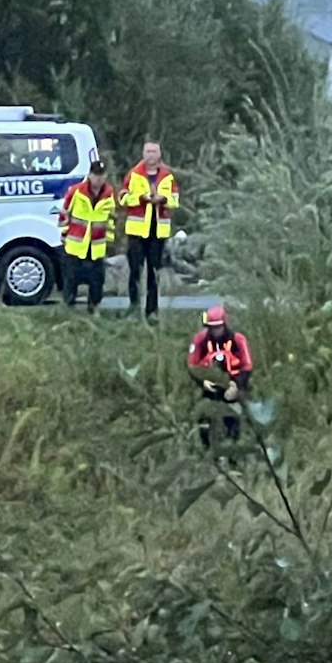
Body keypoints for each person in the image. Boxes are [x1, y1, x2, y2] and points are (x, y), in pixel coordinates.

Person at [120, 141, 179, 321]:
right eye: (148, 151)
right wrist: (141, 198)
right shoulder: (134, 174)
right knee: (135, 270)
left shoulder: (167, 176)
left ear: (159, 154)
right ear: (143, 154)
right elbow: (122, 198)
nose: (151, 155)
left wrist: (163, 199)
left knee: (154, 272)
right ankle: (134, 307)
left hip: (158, 231)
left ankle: (152, 311)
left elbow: (175, 200)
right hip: (137, 231)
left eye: (154, 151)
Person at [187, 305, 254, 448]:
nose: (215, 331)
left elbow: (247, 366)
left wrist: (236, 384)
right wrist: (203, 382)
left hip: (233, 384)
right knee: (204, 416)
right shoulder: (200, 340)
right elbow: (192, 365)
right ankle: (207, 449)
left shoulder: (238, 340)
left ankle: (233, 450)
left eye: (218, 327)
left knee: (232, 417)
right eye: (212, 327)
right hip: (210, 386)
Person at [56, 156, 117, 311]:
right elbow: (64, 214)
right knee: (71, 278)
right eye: (96, 175)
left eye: (101, 175)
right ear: (90, 175)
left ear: (105, 176)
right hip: (75, 243)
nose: (98, 178)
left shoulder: (109, 194)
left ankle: (94, 308)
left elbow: (111, 220)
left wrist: (109, 240)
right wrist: (64, 235)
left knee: (97, 279)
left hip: (97, 244)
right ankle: (68, 308)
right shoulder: (76, 191)